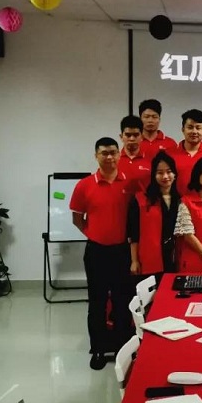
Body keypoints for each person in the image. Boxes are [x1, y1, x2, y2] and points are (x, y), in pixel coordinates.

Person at [70, 137, 133, 370]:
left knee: (121, 302)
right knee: (96, 303)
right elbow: (77, 218)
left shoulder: (129, 183)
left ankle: (121, 349)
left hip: (122, 252)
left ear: (119, 154)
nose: (109, 157)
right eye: (104, 153)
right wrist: (94, 233)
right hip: (96, 251)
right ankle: (97, 349)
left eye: (113, 152)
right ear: (96, 156)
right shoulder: (84, 185)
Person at [128, 151, 180, 285]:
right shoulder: (141, 200)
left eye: (169, 172)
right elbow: (134, 234)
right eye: (160, 173)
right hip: (150, 258)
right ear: (153, 175)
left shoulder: (180, 200)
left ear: (175, 174)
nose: (165, 176)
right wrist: (134, 261)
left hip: (175, 258)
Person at [171, 109, 202, 194]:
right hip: (176, 200)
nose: (194, 132)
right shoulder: (169, 154)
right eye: (190, 127)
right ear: (183, 129)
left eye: (198, 128)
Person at [118, 115, 151, 193]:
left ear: (142, 136)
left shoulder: (151, 160)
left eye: (136, 135)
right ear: (121, 137)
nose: (132, 138)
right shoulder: (113, 161)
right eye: (128, 135)